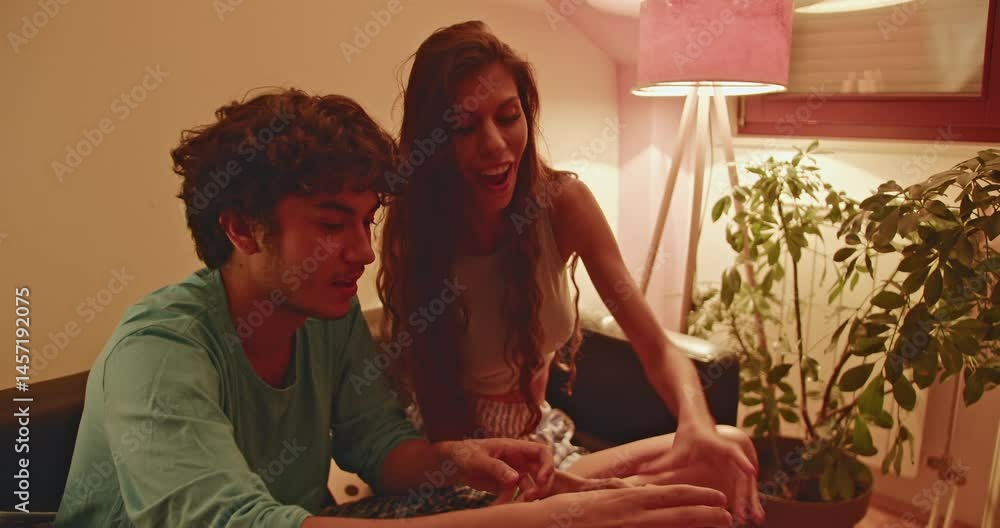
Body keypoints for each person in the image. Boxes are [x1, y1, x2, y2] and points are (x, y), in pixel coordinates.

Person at [55, 88, 734, 528]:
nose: (364, 253)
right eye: (331, 225)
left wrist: (453, 458)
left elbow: (377, 444)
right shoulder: (159, 350)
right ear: (241, 228)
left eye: (366, 221)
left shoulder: (327, 317)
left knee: (710, 455)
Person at [377, 20, 765, 525]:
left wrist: (696, 421)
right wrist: (568, 492)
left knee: (727, 448)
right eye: (464, 127)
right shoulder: (418, 233)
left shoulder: (564, 204)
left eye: (508, 116)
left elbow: (656, 347)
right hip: (465, 470)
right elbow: (450, 435)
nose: (495, 144)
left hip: (544, 445)